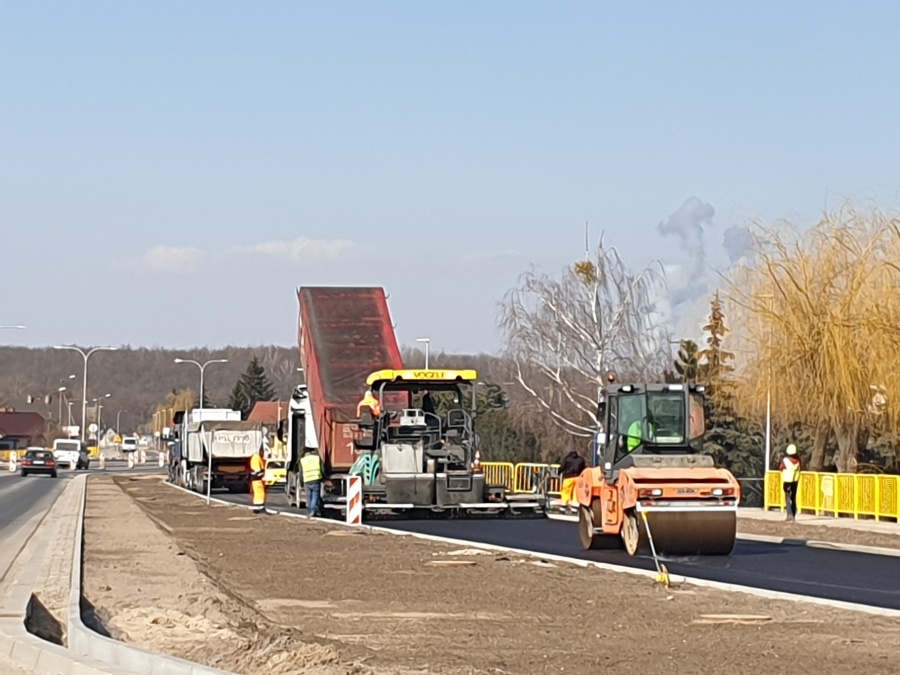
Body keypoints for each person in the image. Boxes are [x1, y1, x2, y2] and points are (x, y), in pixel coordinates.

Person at [558, 447, 587, 514]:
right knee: (575, 492)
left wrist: (559, 472)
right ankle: (574, 507)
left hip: (568, 478)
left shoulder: (567, 459)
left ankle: (563, 507)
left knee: (566, 492)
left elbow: (562, 467)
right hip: (578, 478)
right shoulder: (580, 460)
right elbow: (584, 468)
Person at [300, 447, 326, 517]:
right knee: (315, 496)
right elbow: (322, 469)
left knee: (309, 497)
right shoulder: (317, 458)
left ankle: (311, 511)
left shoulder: (302, 460)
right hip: (316, 479)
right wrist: (323, 478)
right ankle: (313, 510)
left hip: (307, 481)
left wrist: (301, 482)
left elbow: (301, 473)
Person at [780, 443, 801, 522]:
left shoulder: (785, 460)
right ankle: (794, 515)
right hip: (795, 481)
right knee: (793, 498)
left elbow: (781, 467)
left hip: (787, 481)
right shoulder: (798, 461)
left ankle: (789, 515)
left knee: (788, 498)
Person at [249, 446, 266, 514]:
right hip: (257, 479)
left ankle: (256, 508)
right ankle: (260, 508)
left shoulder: (256, 457)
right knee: (260, 494)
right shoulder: (256, 457)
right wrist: (263, 475)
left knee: (257, 494)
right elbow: (257, 470)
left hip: (256, 479)